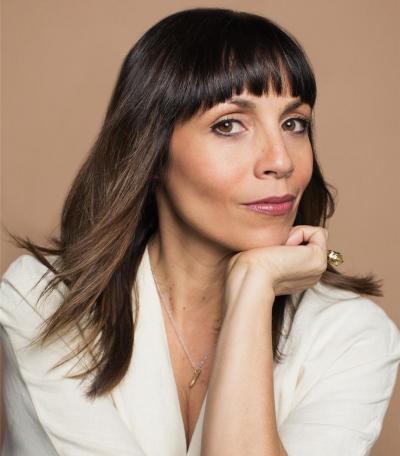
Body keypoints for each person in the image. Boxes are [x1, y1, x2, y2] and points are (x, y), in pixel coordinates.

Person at [1, 7, 399, 456]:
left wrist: (252, 286)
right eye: (229, 125)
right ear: (151, 153)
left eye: (294, 124)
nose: (281, 160)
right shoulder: (44, 302)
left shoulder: (351, 334)